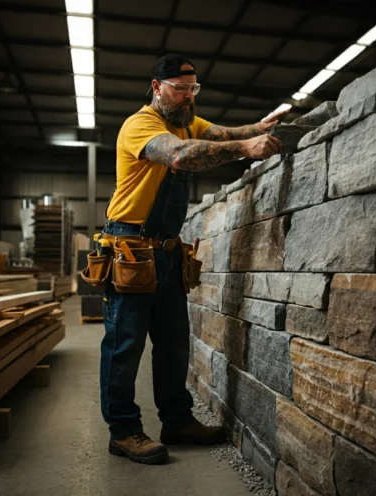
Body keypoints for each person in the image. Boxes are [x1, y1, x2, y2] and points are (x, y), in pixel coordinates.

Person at [99, 53, 285, 465]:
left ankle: (177, 421)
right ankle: (124, 431)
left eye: (193, 89)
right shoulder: (141, 125)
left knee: (173, 343)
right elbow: (181, 155)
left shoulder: (188, 121)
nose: (187, 96)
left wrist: (262, 127)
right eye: (180, 89)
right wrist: (245, 147)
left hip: (166, 250)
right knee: (124, 344)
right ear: (157, 87)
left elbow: (225, 133)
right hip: (128, 246)